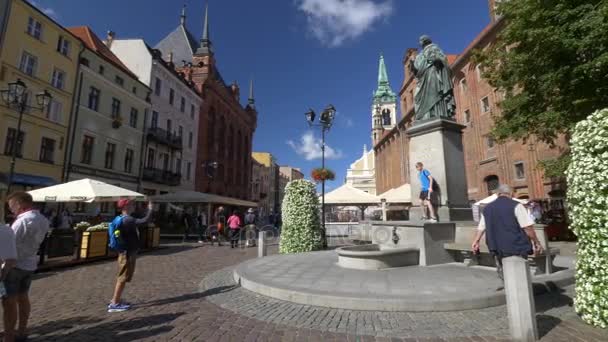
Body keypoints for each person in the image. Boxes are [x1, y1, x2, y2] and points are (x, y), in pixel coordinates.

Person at [471, 184, 544, 281]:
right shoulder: (516, 206)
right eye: (513, 194)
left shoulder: (487, 208)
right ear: (510, 193)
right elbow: (527, 228)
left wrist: (476, 241)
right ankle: (521, 294)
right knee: (519, 276)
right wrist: (536, 242)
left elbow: (481, 228)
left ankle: (510, 292)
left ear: (498, 194)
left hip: (495, 247)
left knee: (504, 274)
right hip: (515, 246)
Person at [4, 192, 50, 342]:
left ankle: (9, 336)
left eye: (12, 206)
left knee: (9, 302)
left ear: (20, 204)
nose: (11, 210)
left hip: (14, 266)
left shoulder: (21, 222)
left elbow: (10, 246)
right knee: (23, 298)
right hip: (30, 264)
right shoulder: (43, 219)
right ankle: (22, 331)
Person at [107, 199, 154, 313]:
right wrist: (150, 209)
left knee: (123, 275)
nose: (134, 206)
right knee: (122, 277)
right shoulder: (128, 219)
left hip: (125, 251)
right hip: (127, 252)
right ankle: (115, 303)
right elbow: (144, 221)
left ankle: (116, 299)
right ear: (126, 206)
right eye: (132, 204)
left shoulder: (120, 218)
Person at [409, 35, 456, 122]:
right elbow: (417, 71)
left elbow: (443, 60)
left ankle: (436, 113)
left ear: (426, 41)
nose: (420, 42)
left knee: (435, 94)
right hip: (422, 79)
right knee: (417, 97)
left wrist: (436, 59)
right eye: (420, 40)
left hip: (432, 74)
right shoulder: (420, 55)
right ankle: (425, 116)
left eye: (422, 40)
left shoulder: (434, 48)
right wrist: (412, 65)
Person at [1, 222, 17, 342]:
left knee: (9, 304)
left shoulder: (4, 231)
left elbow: (10, 260)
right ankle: (9, 337)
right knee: (8, 304)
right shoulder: (5, 230)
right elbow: (10, 260)